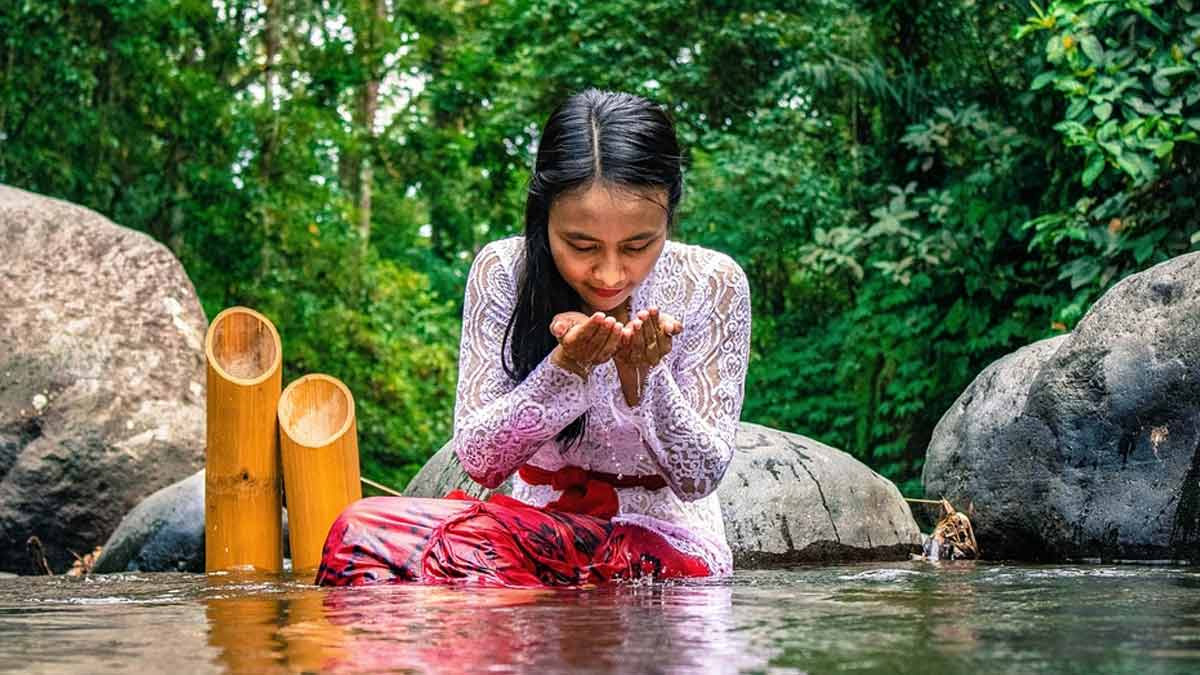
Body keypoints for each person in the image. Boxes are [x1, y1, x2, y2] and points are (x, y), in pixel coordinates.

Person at [315, 88, 751, 587]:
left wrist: (646, 378)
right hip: (527, 534)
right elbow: (479, 460)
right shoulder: (505, 270)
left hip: (663, 545)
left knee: (458, 568)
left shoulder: (712, 281)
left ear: (669, 215)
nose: (610, 274)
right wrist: (565, 370)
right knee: (362, 531)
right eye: (581, 245)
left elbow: (699, 478)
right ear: (544, 218)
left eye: (637, 246)